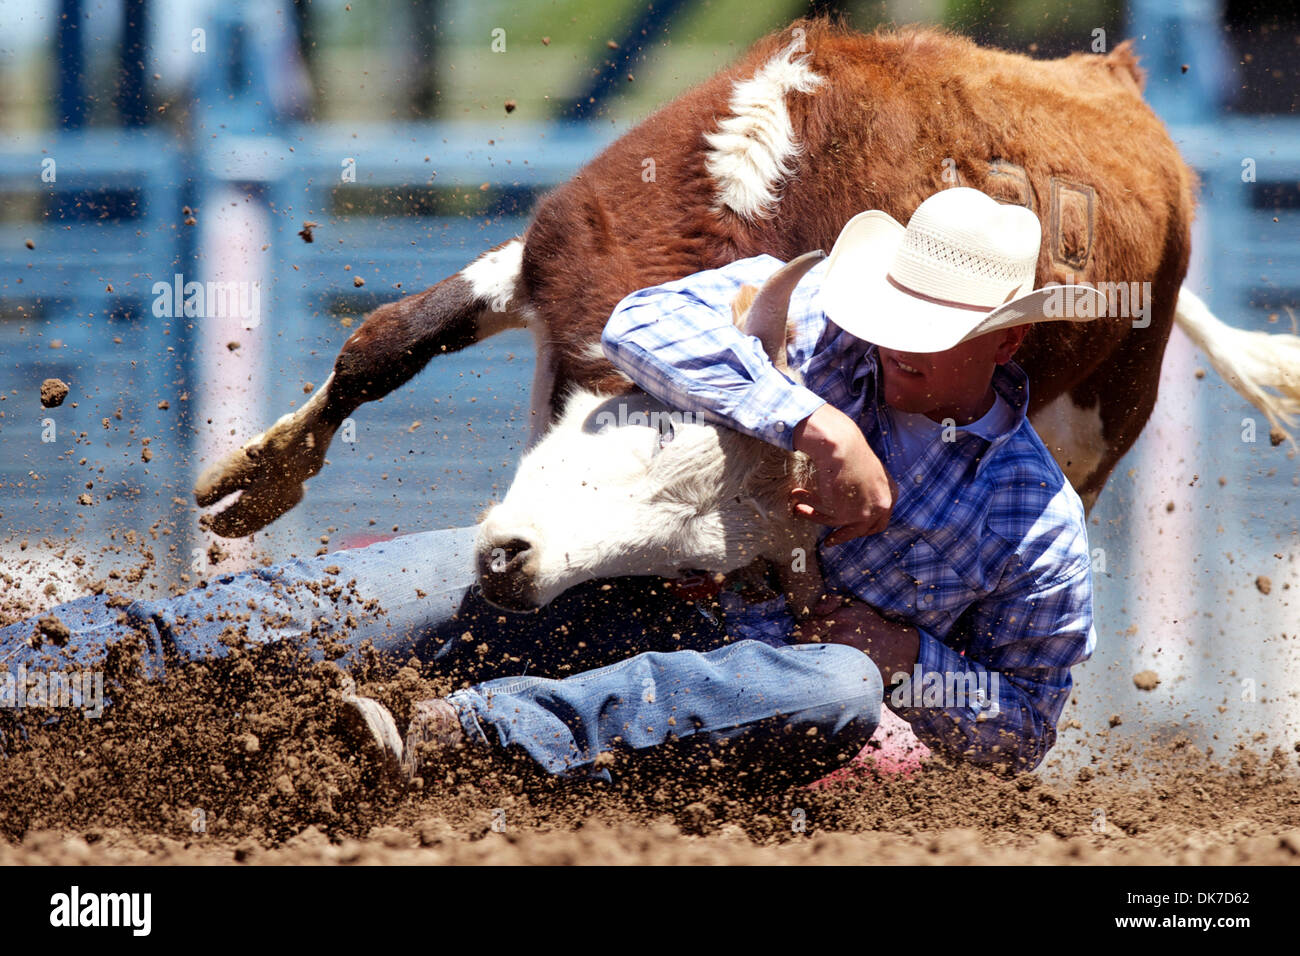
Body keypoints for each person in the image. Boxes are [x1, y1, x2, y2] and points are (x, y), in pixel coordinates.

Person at [0, 187, 1101, 787]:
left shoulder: (1031, 523)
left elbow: (1028, 716)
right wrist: (807, 417)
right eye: (892, 315)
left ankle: (457, 736)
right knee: (332, 606)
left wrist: (904, 654)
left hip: (746, 694)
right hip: (614, 585)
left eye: (929, 335)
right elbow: (642, 319)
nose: (890, 344)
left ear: (1003, 349)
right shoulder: (817, 328)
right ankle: (41, 674)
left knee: (833, 690)